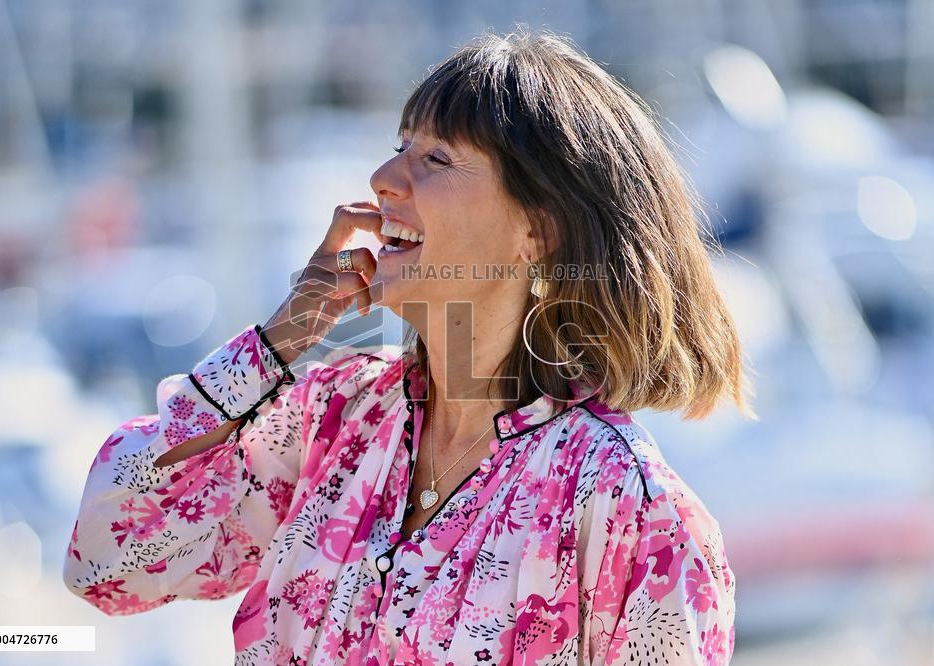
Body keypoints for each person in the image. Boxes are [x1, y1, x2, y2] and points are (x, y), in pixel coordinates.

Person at [63, 25, 755, 665]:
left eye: (436, 158)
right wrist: (277, 342)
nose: (383, 180)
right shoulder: (336, 421)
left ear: (538, 230)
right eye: (400, 148)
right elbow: (106, 562)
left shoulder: (630, 508)